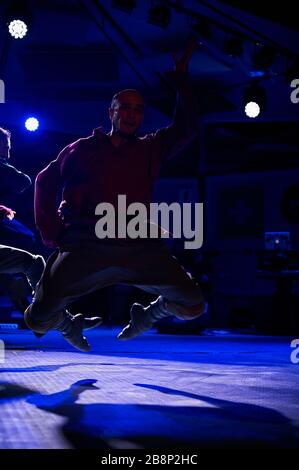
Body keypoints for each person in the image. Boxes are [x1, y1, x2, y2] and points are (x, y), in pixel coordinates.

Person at [24, 40, 206, 352]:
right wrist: (52, 232)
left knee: (194, 305)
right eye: (125, 107)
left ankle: (149, 315)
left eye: (139, 109)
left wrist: (181, 80)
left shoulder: (150, 148)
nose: (132, 114)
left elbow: (188, 127)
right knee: (37, 319)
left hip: (138, 247)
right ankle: (69, 325)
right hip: (86, 248)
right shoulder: (82, 149)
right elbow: (44, 180)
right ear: (111, 112)